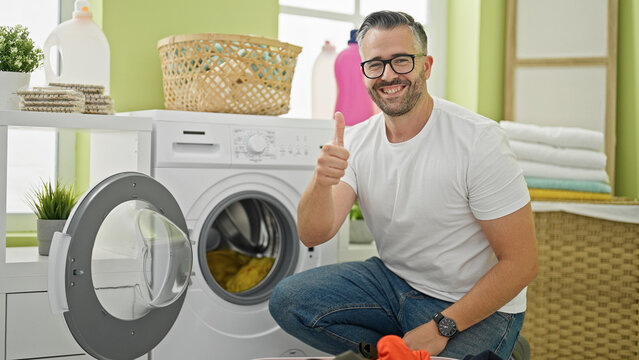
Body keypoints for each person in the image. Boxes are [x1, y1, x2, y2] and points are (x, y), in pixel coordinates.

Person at [269, 10, 538, 360]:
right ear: (364, 72)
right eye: (375, 65)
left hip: (473, 303)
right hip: (395, 283)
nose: (388, 75)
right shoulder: (356, 140)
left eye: (401, 61)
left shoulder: (478, 141)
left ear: (425, 66)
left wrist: (442, 327)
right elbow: (313, 234)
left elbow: (522, 263)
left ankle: (503, 348)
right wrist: (321, 183)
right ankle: (399, 351)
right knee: (289, 301)